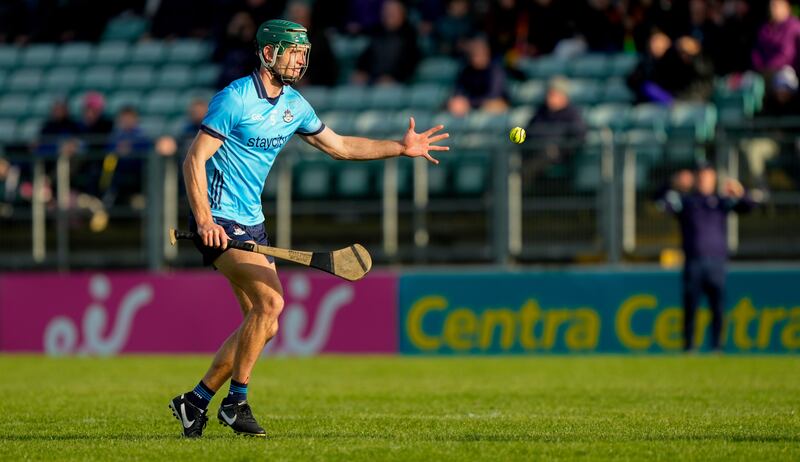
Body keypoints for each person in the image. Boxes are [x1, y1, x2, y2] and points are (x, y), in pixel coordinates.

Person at [170, 19, 448, 438]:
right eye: (292, 51)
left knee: (263, 324)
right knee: (271, 305)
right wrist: (206, 220)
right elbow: (195, 159)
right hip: (220, 220)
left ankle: (196, 401)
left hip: (253, 223)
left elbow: (339, 146)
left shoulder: (295, 105)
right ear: (268, 53)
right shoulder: (235, 99)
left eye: (303, 52)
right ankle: (236, 403)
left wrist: (399, 147)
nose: (300, 59)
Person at [657, 164, 759, 352]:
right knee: (690, 306)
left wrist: (740, 192)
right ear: (695, 179)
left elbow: (749, 206)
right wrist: (674, 183)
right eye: (701, 176)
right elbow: (661, 201)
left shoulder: (720, 202)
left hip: (717, 263)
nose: (704, 180)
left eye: (708, 176)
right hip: (693, 262)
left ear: (713, 179)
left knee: (718, 307)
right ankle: (689, 347)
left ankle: (716, 346)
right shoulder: (686, 202)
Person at [447, 35, 509, 117]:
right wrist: (458, 100)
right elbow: (459, 89)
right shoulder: (467, 70)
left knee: (492, 104)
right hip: (473, 103)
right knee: (455, 103)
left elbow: (493, 95)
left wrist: (469, 102)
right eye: (473, 53)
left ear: (486, 53)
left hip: (496, 102)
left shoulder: (495, 70)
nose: (476, 56)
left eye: (479, 53)